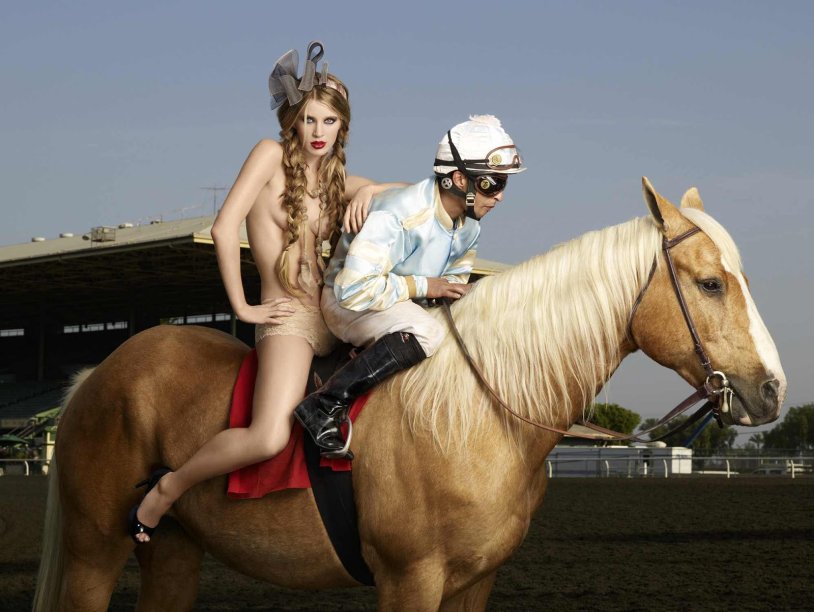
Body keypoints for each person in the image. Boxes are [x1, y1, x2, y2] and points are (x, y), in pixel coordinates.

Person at [128, 41, 402, 543]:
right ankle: (167, 490)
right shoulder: (270, 155)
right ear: (294, 119)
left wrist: (367, 191)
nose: (318, 132)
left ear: (343, 127)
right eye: (310, 120)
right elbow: (223, 227)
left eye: (330, 122)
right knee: (269, 435)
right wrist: (242, 307)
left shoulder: (340, 180)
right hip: (289, 320)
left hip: (335, 314)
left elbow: (409, 193)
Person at [293, 114, 525, 460]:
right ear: (459, 179)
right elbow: (353, 290)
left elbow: (452, 284)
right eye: (494, 183)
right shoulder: (398, 214)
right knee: (427, 332)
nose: (501, 196)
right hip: (347, 303)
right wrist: (426, 286)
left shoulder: (469, 227)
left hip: (401, 302)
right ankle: (325, 404)